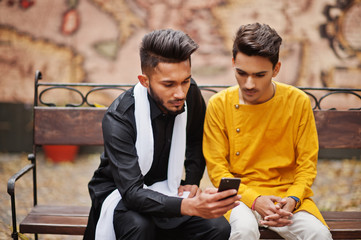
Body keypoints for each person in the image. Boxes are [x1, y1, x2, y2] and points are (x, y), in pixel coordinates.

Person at [83, 29, 241, 240]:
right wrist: (188, 206)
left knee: (217, 227)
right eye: (168, 84)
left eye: (185, 81)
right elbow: (131, 193)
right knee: (140, 226)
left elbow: (195, 139)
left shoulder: (190, 93)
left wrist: (193, 181)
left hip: (170, 186)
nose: (180, 93)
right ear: (144, 81)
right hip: (120, 194)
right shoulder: (120, 116)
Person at [203, 23, 333, 239]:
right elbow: (217, 171)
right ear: (233, 63)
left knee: (319, 234)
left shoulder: (297, 102)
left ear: (276, 69)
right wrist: (255, 199)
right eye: (241, 73)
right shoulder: (219, 104)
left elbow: (306, 166)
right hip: (237, 197)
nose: (249, 84)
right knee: (243, 230)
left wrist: (292, 200)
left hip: (286, 198)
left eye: (260, 75)